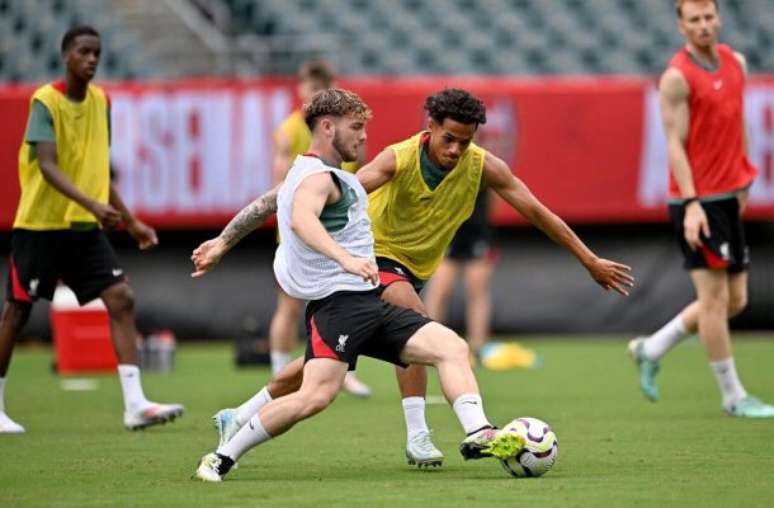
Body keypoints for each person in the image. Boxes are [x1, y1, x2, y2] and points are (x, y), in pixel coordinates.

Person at [193, 88, 634, 467]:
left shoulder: (483, 166)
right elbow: (302, 191)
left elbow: (538, 212)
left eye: (466, 141)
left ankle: (244, 413)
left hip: (410, 272)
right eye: (449, 138)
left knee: (325, 364)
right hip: (374, 263)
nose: (457, 150)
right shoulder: (396, 160)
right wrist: (225, 240)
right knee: (421, 322)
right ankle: (424, 435)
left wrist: (588, 259)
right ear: (430, 126)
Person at [0, 26, 184, 433]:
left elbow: (98, 169)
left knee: (121, 299)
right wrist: (94, 205)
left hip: (82, 227)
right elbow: (47, 166)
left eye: (97, 52)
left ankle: (135, 404)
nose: (92, 59)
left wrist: (130, 220)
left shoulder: (101, 102)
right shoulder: (45, 102)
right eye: (83, 51)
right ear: (66, 56)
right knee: (17, 312)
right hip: (41, 225)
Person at [628, 0, 774, 417]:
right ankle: (733, 397)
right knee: (712, 302)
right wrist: (692, 203)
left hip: (728, 194)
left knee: (736, 300)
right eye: (695, 20)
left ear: (718, 18)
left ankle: (651, 348)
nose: (704, 25)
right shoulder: (677, 78)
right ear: (682, 26)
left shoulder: (735, 62)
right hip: (698, 200)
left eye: (709, 17)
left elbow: (736, 122)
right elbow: (673, 143)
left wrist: (744, 176)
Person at [270, 58, 370, 397]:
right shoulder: (289, 130)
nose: (308, 96)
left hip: (338, 226)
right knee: (289, 305)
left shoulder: (348, 131)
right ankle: (279, 370)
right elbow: (282, 190)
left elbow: (355, 179)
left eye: (316, 90)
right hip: (303, 227)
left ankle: (340, 369)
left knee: (345, 303)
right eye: (305, 88)